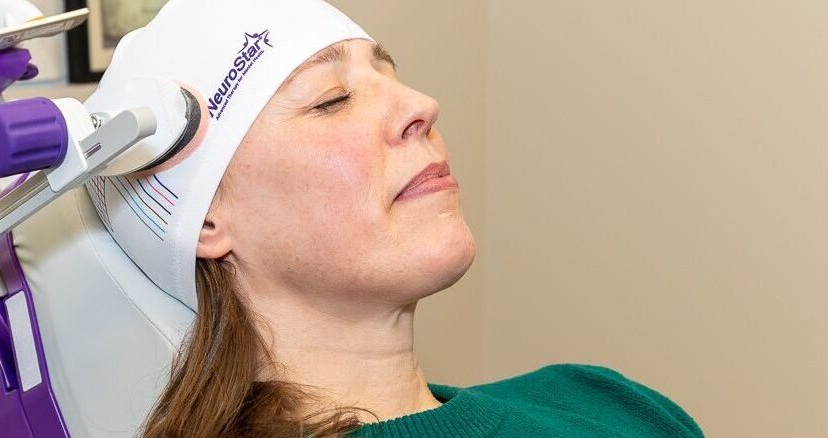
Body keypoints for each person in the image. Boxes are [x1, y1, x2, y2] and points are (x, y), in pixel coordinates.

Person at [85, 1, 704, 436]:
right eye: (332, 100)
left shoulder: (608, 406)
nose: (422, 105)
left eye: (391, 76)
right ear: (207, 223)